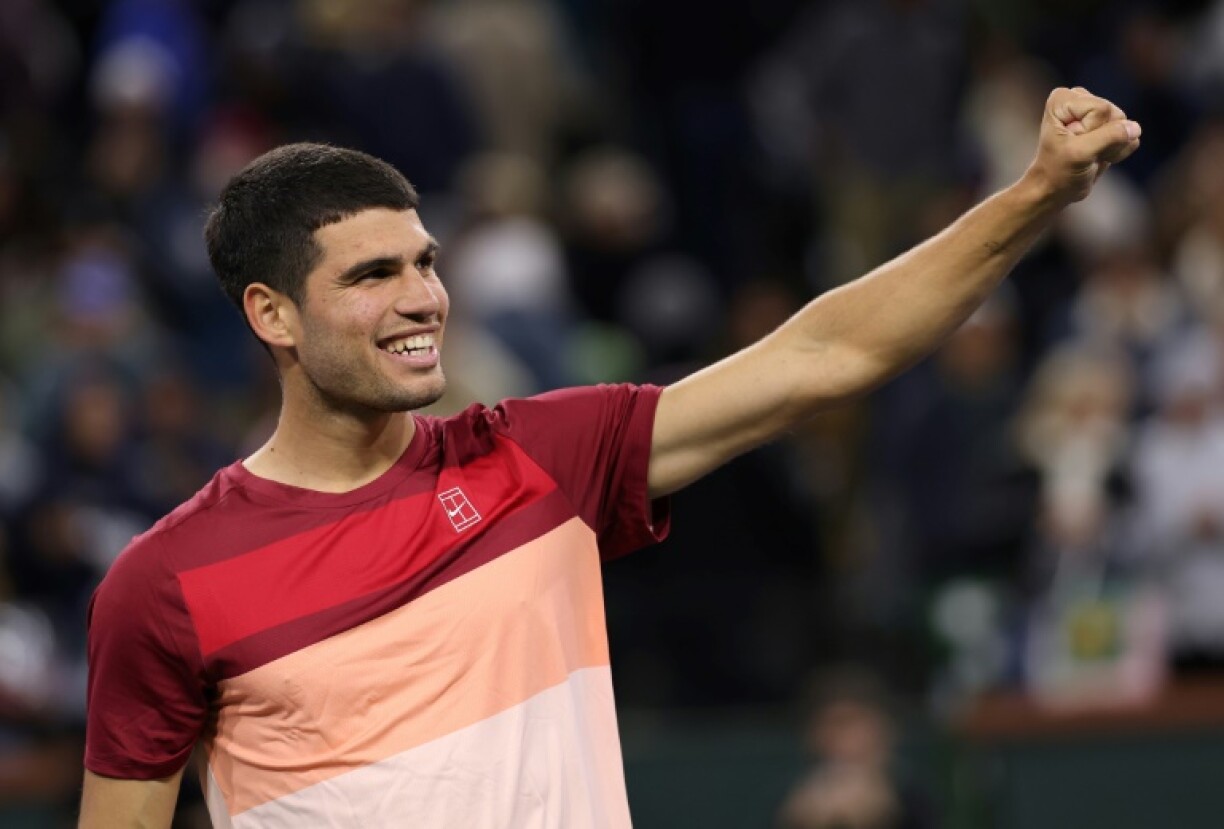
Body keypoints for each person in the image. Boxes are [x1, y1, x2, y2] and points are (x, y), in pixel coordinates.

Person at [79, 87, 1140, 828]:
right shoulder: (166, 585)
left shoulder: (543, 459)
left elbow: (830, 351)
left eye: (425, 262)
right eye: (371, 275)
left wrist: (1036, 193)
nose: (420, 299)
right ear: (270, 313)